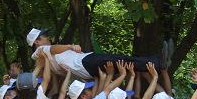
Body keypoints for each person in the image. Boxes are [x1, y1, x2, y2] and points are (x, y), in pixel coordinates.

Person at [27, 28, 170, 81]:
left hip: (85, 65)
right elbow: (53, 49)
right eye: (44, 36)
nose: (47, 37)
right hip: (84, 63)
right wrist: (70, 46)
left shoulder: (43, 56)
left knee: (121, 61)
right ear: (37, 41)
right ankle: (157, 62)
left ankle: (156, 61)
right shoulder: (40, 51)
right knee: (121, 60)